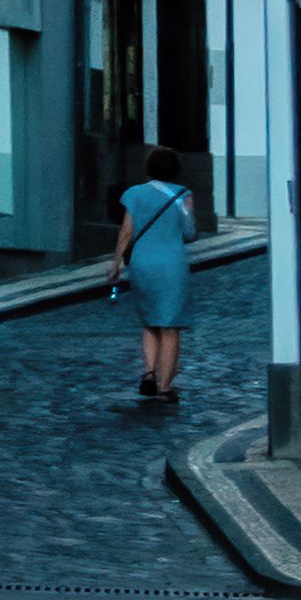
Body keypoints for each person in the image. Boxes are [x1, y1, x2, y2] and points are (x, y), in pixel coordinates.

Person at [116, 146, 198, 406]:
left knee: (150, 322)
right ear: (175, 170)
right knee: (170, 326)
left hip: (141, 263)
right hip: (171, 264)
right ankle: (165, 385)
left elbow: (127, 231)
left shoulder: (134, 194)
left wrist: (115, 262)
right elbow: (190, 231)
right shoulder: (182, 195)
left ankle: (149, 371)